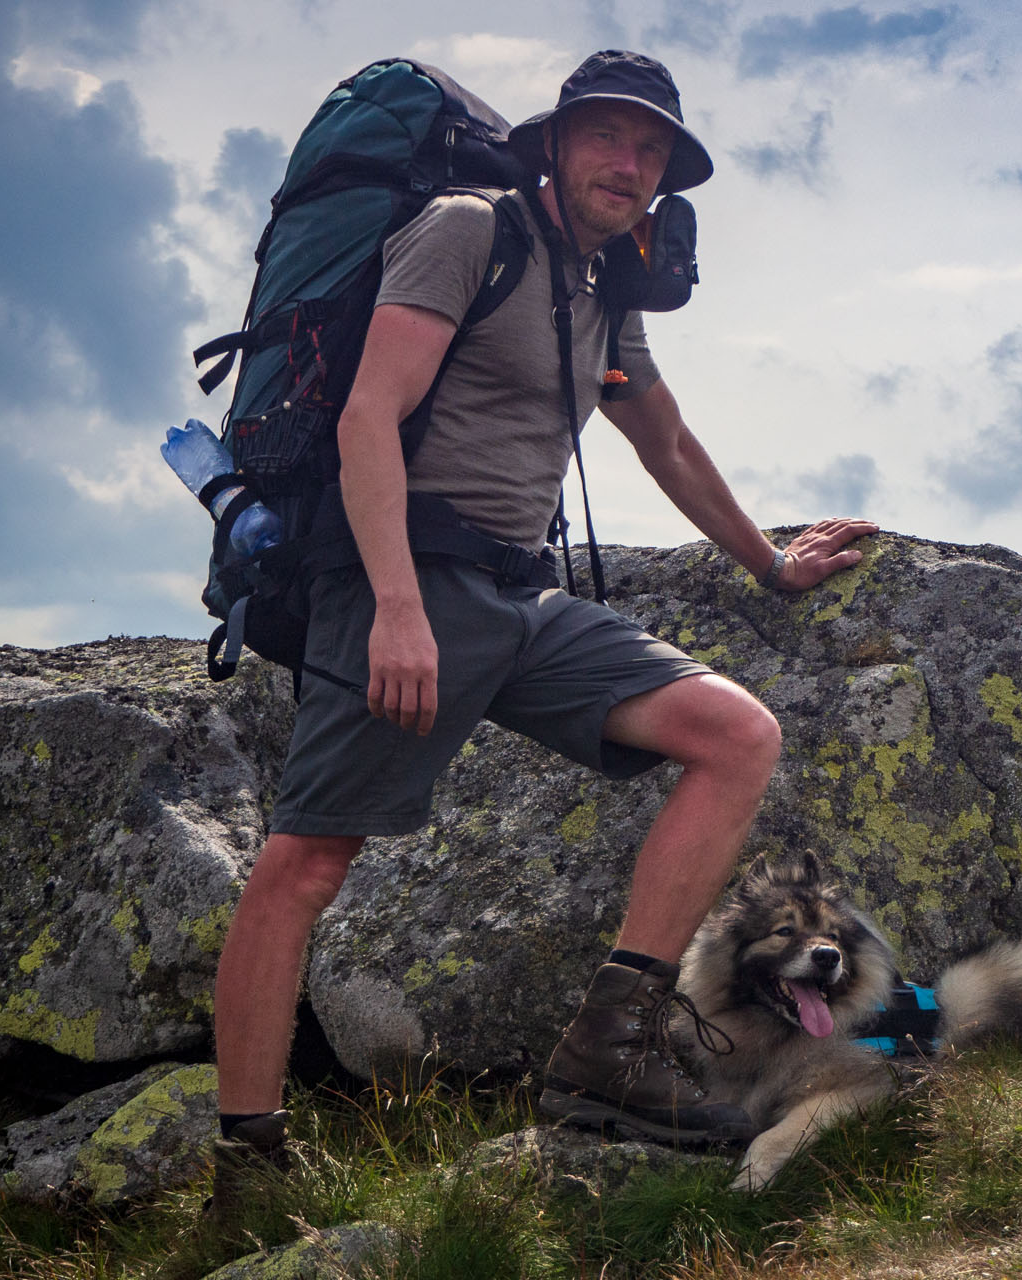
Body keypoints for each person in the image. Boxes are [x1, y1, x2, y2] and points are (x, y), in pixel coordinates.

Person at [207, 49, 876, 1209]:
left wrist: (771, 563)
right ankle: (246, 1165)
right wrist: (398, 610)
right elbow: (370, 417)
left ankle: (608, 1044)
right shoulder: (474, 230)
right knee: (305, 864)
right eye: (608, 136)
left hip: (525, 594)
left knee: (735, 733)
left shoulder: (607, 281)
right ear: (557, 143)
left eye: (652, 148)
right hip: (402, 577)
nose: (629, 162)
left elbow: (661, 436)